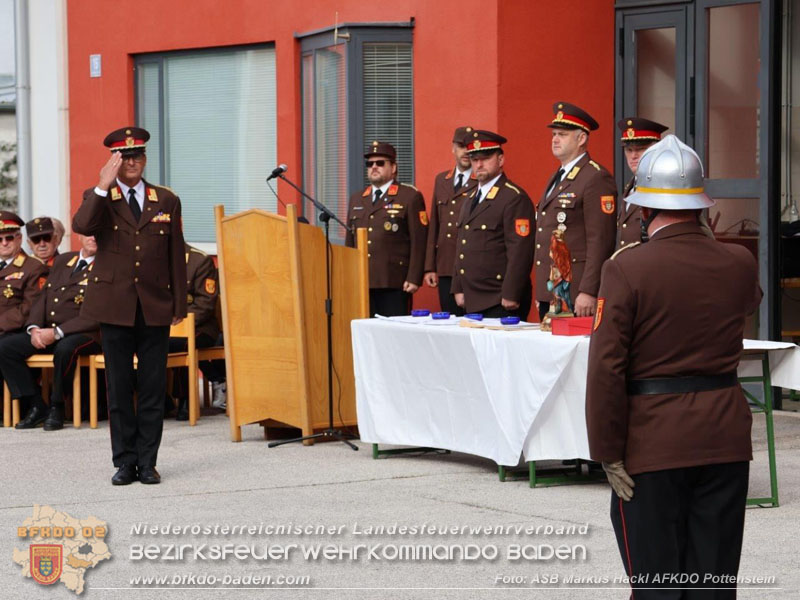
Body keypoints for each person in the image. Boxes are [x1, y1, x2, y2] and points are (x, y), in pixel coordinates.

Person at [586, 135, 761, 598]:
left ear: (643, 210)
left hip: (653, 443)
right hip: (724, 439)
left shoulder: (626, 268)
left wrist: (607, 450)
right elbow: (748, 299)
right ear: (702, 206)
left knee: (657, 586)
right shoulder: (739, 261)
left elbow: (606, 367)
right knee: (714, 583)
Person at [72, 126, 187, 486]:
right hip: (114, 307)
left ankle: (148, 461)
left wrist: (179, 303)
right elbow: (82, 225)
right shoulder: (99, 197)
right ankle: (124, 462)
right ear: (113, 161)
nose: (132, 161)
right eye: (124, 156)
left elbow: (175, 255)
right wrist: (102, 186)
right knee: (120, 388)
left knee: (152, 387)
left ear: (146, 158)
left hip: (154, 306)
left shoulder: (165, 199)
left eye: (137, 155)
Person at [1, 234, 101, 430]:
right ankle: (37, 404)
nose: (94, 238)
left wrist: (57, 332)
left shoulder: (109, 264)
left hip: (88, 333)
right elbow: (43, 297)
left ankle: (58, 406)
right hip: (48, 331)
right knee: (5, 347)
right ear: (79, 236)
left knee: (65, 349)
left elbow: (97, 313)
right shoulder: (64, 260)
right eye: (89, 233)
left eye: (99, 233)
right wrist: (35, 328)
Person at [534, 102, 616, 321]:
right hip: (552, 290)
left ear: (581, 139)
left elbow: (601, 240)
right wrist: (542, 290)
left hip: (575, 292)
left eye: (562, 134)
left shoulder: (595, 177)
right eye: (554, 134)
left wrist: (588, 290)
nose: (555, 139)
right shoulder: (558, 177)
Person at [450, 129, 535, 318]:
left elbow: (520, 251)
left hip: (499, 298)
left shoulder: (513, 198)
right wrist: (458, 287)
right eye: (474, 159)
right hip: (472, 297)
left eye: (485, 158)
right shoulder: (470, 198)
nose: (479, 164)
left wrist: (511, 293)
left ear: (501, 160)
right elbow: (461, 245)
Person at [345, 141, 428, 317]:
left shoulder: (409, 196)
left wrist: (414, 277)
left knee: (394, 337)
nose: (374, 167)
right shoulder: (357, 199)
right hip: (363, 279)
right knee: (365, 334)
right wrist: (350, 275)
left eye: (380, 163)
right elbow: (350, 241)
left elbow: (419, 241)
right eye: (370, 164)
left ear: (393, 167)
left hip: (394, 280)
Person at [423, 126, 478, 314]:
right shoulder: (442, 180)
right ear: (453, 148)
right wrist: (430, 267)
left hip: (471, 266)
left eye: (470, 147)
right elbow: (434, 226)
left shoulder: (482, 180)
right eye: (461, 146)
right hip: (446, 265)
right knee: (449, 320)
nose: (466, 152)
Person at [168, 243, 225, 420]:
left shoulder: (199, 260)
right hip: (165, 327)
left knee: (176, 343)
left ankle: (186, 400)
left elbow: (205, 304)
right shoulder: (153, 258)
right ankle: (161, 400)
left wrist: (178, 324)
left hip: (200, 327)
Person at [616, 117, 668, 249]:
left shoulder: (665, 186)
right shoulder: (632, 185)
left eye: (641, 149)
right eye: (629, 150)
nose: (633, 156)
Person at [0, 211, 48, 337]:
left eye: (9, 238)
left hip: (11, 331)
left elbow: (30, 306)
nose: (4, 243)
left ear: (19, 239)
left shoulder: (34, 267)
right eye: (0, 239)